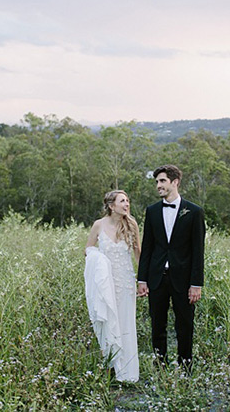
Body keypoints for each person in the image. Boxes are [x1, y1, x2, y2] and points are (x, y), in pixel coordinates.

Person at [137, 164, 205, 371]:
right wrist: (142, 279)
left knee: (184, 325)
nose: (158, 185)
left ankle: (186, 368)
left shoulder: (194, 212)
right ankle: (160, 366)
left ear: (175, 182)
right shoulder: (152, 211)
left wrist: (196, 284)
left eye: (162, 181)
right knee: (158, 325)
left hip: (183, 279)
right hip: (157, 277)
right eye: (157, 181)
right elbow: (147, 246)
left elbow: (198, 251)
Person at [84, 190, 140, 382]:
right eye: (122, 201)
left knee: (125, 322)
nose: (127, 204)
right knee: (108, 322)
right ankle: (110, 366)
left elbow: (138, 254)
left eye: (128, 201)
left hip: (125, 282)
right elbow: (88, 250)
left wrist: (142, 281)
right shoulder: (98, 225)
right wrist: (99, 260)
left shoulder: (131, 225)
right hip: (106, 282)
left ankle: (126, 371)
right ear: (111, 205)